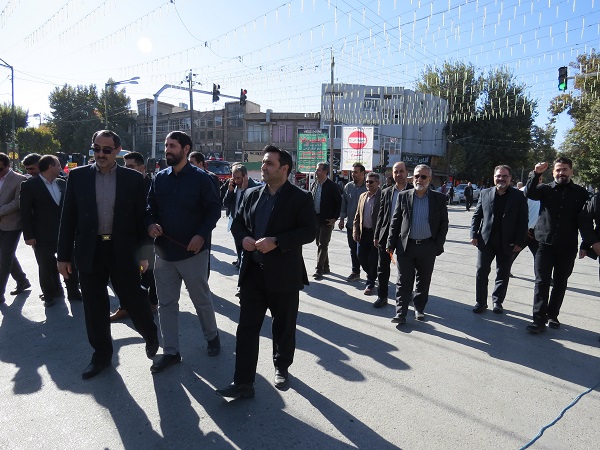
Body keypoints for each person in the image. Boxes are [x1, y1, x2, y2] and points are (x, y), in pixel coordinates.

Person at [57, 130, 159, 379]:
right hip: (89, 250)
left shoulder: (132, 179)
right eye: (96, 149)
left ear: (117, 151)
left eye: (106, 150)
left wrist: (144, 254)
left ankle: (150, 333)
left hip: (122, 249)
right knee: (94, 306)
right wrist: (62, 256)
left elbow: (140, 218)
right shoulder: (77, 176)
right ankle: (101, 355)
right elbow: (68, 217)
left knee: (133, 297)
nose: (100, 154)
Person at [216, 145, 315, 399]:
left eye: (269, 163)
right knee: (247, 329)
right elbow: (237, 223)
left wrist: (277, 242)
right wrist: (244, 239)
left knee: (283, 327)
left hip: (284, 275)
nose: (263, 167)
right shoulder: (251, 194)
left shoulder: (300, 197)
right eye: (263, 162)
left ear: (284, 169)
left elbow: (309, 232)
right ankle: (243, 383)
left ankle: (282, 366)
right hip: (253, 273)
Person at [147, 131, 222, 373]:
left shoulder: (202, 179)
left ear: (186, 149)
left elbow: (214, 210)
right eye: (166, 145)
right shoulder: (160, 178)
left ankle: (212, 337)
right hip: (164, 253)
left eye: (172, 146)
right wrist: (150, 223)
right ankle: (171, 352)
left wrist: (201, 235)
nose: (167, 150)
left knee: (201, 299)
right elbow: (149, 207)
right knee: (166, 304)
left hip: (193, 253)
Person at [524, 157, 592, 333]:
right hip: (543, 244)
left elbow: (585, 220)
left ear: (571, 171)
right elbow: (529, 193)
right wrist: (536, 173)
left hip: (567, 246)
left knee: (561, 282)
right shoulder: (545, 189)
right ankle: (538, 320)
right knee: (541, 282)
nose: (561, 173)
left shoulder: (581, 193)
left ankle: (552, 315)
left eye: (565, 169)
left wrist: (586, 244)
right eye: (558, 170)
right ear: (553, 172)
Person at [386, 164, 449, 324]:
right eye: (416, 176)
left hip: (428, 247)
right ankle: (400, 313)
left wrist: (437, 245)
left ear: (429, 179)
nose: (419, 179)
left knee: (423, 280)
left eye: (423, 176)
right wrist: (390, 243)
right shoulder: (403, 196)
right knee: (403, 281)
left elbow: (444, 223)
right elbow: (395, 221)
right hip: (406, 246)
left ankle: (419, 309)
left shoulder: (439, 199)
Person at [20, 155, 82, 307]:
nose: (60, 168)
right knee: (45, 266)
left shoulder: (62, 183)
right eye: (58, 165)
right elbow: (25, 213)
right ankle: (49, 295)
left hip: (65, 233)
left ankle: (73, 291)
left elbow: (70, 207)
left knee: (70, 263)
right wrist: (29, 235)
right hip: (42, 234)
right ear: (50, 167)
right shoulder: (30, 185)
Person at [470, 165, 528, 314]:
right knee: (481, 271)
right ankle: (480, 302)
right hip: (486, 240)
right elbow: (477, 215)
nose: (501, 179)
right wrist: (473, 234)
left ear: (510, 178)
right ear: (494, 177)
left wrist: (520, 242)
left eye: (505, 176)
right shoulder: (485, 193)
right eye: (498, 176)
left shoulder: (518, 196)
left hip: (508, 241)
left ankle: (497, 302)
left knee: (503, 273)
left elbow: (523, 221)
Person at [110, 151, 158, 321]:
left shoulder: (153, 185)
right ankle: (125, 307)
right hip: (126, 237)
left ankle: (152, 302)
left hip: (148, 238)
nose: (127, 169)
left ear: (142, 167)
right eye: (125, 166)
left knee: (149, 272)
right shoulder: (122, 184)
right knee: (124, 274)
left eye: (131, 166)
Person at [372, 162, 412, 308]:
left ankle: (406, 295)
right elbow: (381, 214)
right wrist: (377, 235)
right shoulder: (386, 191)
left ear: (407, 172)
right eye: (396, 172)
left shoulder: (413, 191)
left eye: (401, 171)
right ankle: (382, 296)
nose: (398, 174)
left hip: (405, 236)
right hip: (386, 234)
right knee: (382, 267)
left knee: (406, 269)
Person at [0, 153, 31, 304]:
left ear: (8, 165)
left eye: (0, 169)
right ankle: (22, 280)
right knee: (6, 255)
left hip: (12, 225)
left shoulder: (20, 179)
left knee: (4, 258)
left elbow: (18, 202)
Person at [223, 163, 259, 268]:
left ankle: (244, 263)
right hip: (235, 221)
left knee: (246, 244)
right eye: (234, 178)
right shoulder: (233, 186)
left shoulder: (254, 187)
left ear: (245, 176)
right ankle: (239, 260)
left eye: (238, 178)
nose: (236, 181)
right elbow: (225, 204)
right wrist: (230, 191)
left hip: (247, 223)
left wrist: (244, 190)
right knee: (237, 242)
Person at [310, 162, 341, 280]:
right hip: (316, 218)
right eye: (316, 169)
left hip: (327, 220)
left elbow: (339, 203)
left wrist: (335, 218)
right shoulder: (314, 184)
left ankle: (319, 269)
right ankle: (326, 266)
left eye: (318, 170)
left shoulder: (332, 186)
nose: (316, 172)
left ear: (325, 172)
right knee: (319, 243)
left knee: (323, 244)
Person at [353, 172, 381, 295]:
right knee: (361, 256)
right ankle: (372, 274)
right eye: (367, 182)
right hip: (363, 232)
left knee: (373, 259)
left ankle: (370, 283)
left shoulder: (383, 196)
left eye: (371, 182)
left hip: (376, 234)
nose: (368, 184)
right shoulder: (363, 196)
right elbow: (357, 215)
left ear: (378, 183)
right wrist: (356, 231)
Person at [338, 163, 367, 281]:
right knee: (353, 249)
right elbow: (344, 204)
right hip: (351, 225)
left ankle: (370, 272)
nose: (353, 174)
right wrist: (341, 219)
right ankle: (355, 271)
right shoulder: (348, 187)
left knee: (365, 251)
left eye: (355, 172)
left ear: (362, 173)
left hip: (366, 226)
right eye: (352, 172)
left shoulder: (368, 187)